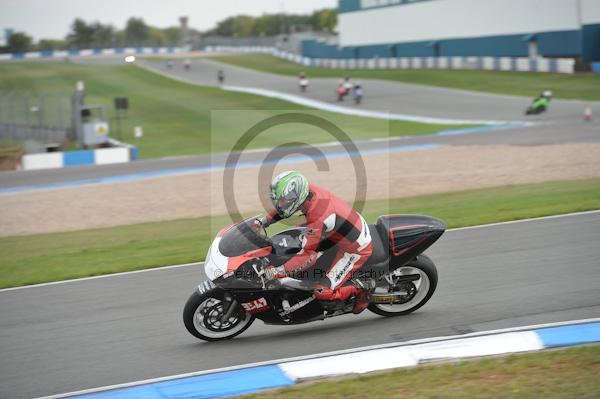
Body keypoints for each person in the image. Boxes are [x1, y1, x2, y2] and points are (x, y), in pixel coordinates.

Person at [258, 171, 374, 314]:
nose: (280, 204)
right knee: (292, 238)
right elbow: (285, 209)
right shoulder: (306, 191)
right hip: (339, 232)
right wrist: (263, 222)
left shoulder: (317, 215)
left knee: (322, 292)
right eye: (278, 200)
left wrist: (278, 271)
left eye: (282, 200)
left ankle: (362, 289)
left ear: (296, 196)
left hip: (354, 249)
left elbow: (308, 256)